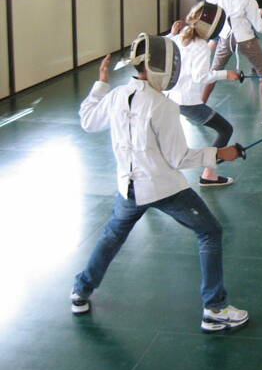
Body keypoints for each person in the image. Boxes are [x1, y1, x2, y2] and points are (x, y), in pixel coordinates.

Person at [71, 36, 249, 333]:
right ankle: (215, 308)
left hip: (128, 188)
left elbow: (87, 121)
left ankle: (80, 291)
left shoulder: (116, 95)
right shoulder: (163, 105)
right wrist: (220, 153)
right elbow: (179, 158)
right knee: (210, 232)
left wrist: (101, 83)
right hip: (164, 189)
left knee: (112, 237)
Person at [167, 2, 241, 187]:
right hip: (186, 101)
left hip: (168, 96)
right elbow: (200, 76)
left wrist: (171, 33)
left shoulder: (180, 36)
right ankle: (209, 175)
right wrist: (227, 74)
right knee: (225, 129)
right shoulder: (199, 45)